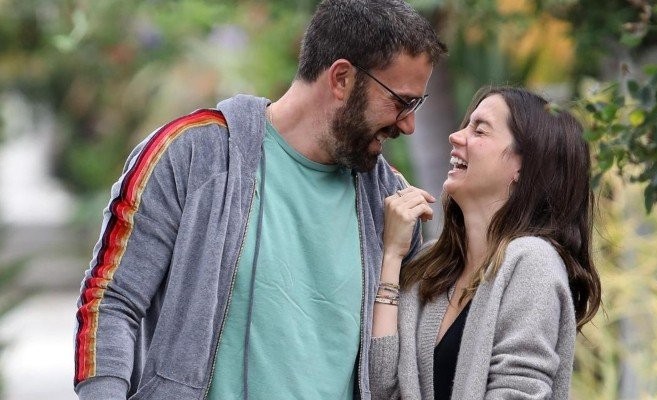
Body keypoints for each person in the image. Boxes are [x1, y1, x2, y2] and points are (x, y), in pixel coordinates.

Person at [72, 1, 446, 399]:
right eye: (401, 102)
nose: (409, 125)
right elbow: (110, 299)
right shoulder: (192, 155)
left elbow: (397, 366)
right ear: (342, 79)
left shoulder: (391, 202)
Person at [369, 86, 602, 399]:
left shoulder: (533, 263)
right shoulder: (430, 269)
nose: (455, 136)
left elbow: (517, 392)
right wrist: (392, 255)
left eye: (479, 130)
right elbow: (381, 388)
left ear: (524, 165)